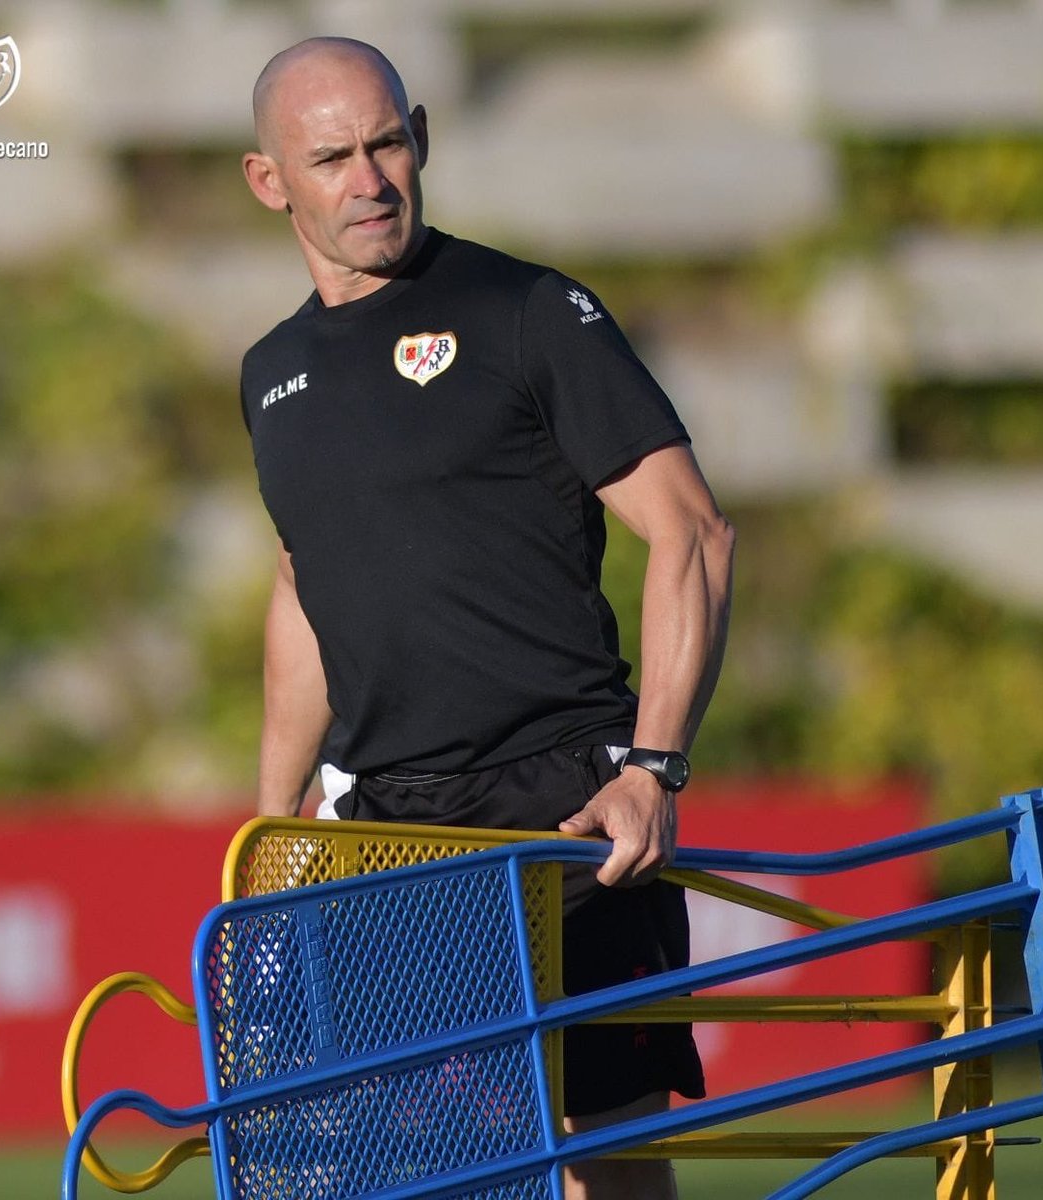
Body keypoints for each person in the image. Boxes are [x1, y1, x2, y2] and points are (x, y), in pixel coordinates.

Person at [239, 36, 735, 1200]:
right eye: (331, 158)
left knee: (603, 1162)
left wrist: (654, 767)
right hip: (385, 830)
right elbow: (308, 588)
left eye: (388, 144)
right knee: (378, 1169)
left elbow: (694, 533)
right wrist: (271, 821)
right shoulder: (269, 374)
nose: (370, 180)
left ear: (421, 136)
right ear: (270, 181)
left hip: (564, 807)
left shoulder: (530, 311)